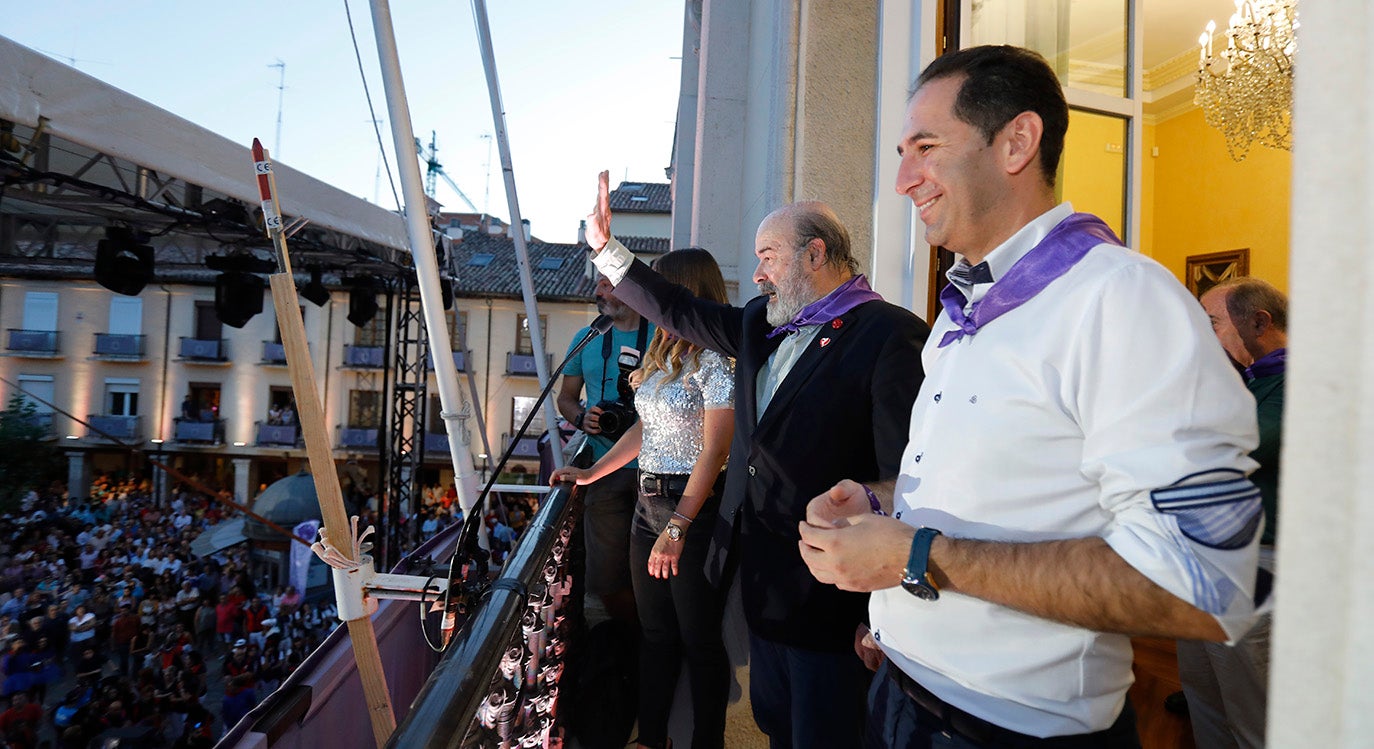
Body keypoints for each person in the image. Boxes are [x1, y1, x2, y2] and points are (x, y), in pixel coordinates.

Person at [795, 45, 1265, 748]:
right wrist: (880, 505)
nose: (902, 179)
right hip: (899, 694)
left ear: (1016, 141)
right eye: (901, 150)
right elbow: (1001, 490)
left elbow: (1205, 581)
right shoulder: (958, 316)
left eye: (925, 146)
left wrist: (916, 555)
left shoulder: (1122, 298)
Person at [585, 180, 929, 748]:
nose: (760, 273)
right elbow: (676, 307)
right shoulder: (759, 325)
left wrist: (883, 611)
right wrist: (606, 248)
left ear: (815, 254)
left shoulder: (891, 335)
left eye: (768, 257)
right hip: (764, 590)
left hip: (835, 607)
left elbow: (905, 483)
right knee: (778, 730)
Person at [552, 248, 737, 749]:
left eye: (658, 287)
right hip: (646, 502)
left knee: (698, 640)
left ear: (685, 290)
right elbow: (645, 430)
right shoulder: (663, 351)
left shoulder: (717, 358)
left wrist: (678, 527)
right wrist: (592, 472)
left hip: (692, 509)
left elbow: (716, 449)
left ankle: (707, 742)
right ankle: (651, 739)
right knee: (655, 634)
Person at [1176, 277, 1287, 749]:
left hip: (1253, 561)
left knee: (1250, 704)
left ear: (1258, 322)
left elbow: (1227, 448)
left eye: (1212, 322)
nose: (1203, 334)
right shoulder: (1248, 380)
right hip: (1202, 557)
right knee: (1203, 688)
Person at [555, 269, 655, 624]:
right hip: (602, 468)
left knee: (652, 573)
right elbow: (565, 399)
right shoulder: (585, 338)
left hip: (655, 469)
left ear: (631, 290)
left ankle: (651, 642)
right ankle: (630, 641)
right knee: (607, 578)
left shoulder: (661, 336)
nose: (597, 290)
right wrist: (582, 418)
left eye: (606, 283)